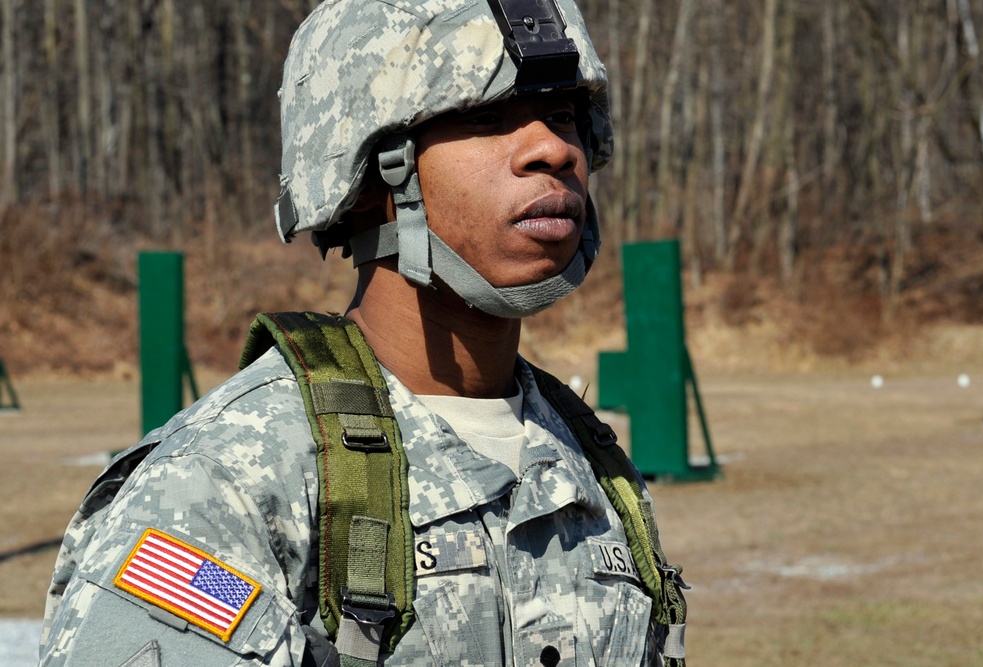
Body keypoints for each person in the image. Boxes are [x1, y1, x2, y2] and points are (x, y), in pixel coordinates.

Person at [39, 1, 686, 665]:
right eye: (485, 117)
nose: (553, 149)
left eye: (563, 115)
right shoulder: (224, 477)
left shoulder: (590, 462)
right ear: (374, 171)